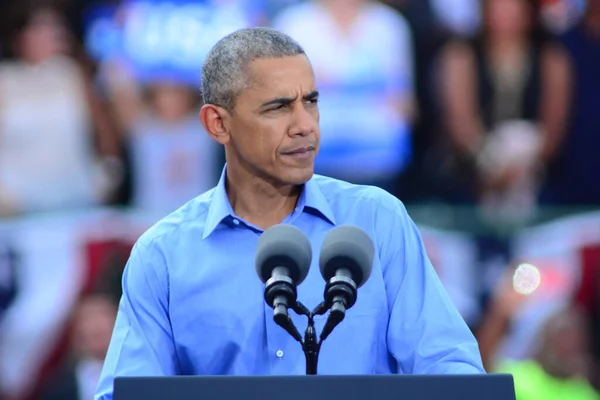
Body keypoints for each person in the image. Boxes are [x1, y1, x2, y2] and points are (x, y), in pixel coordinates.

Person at [95, 27, 484, 399]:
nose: (304, 126)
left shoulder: (377, 221)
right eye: (278, 107)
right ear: (218, 124)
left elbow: (451, 369)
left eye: (310, 102)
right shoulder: (162, 255)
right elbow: (127, 393)